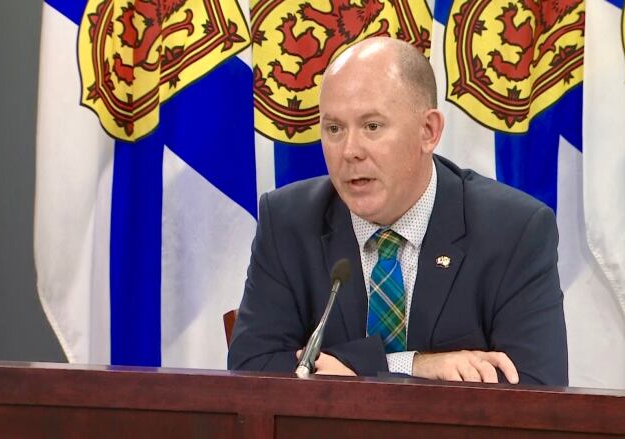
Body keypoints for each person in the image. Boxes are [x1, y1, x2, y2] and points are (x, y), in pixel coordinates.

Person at [228, 37, 568, 385]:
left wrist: (357, 367)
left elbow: (536, 385)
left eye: (372, 126)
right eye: (334, 129)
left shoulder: (514, 230)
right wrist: (413, 365)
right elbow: (251, 368)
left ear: (428, 131)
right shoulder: (289, 220)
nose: (350, 151)